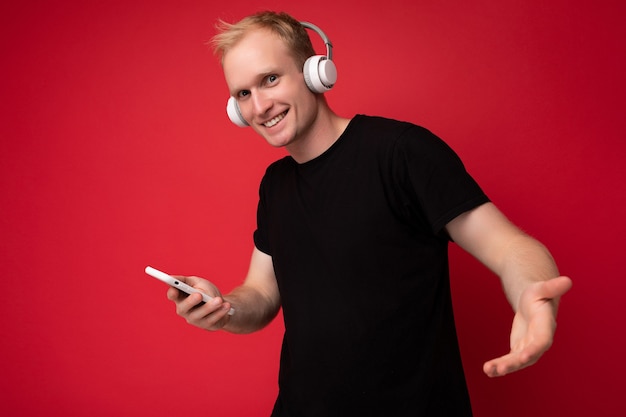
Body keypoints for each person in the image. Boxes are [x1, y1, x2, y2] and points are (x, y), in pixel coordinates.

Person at [167, 11, 572, 417]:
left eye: (270, 79)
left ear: (314, 71)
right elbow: (261, 294)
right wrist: (222, 309)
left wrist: (531, 294)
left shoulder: (402, 153)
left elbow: (509, 246)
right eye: (243, 94)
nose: (259, 106)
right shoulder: (275, 184)